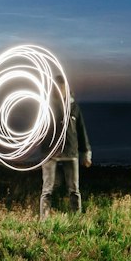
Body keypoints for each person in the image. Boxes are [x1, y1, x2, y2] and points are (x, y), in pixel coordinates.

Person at [39, 75, 91, 218]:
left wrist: (86, 153)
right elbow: (40, 132)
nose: (61, 90)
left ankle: (76, 219)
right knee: (47, 190)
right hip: (50, 153)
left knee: (74, 190)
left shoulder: (74, 107)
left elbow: (81, 130)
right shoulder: (46, 106)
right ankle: (45, 220)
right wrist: (42, 156)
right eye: (58, 87)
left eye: (63, 87)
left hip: (71, 151)